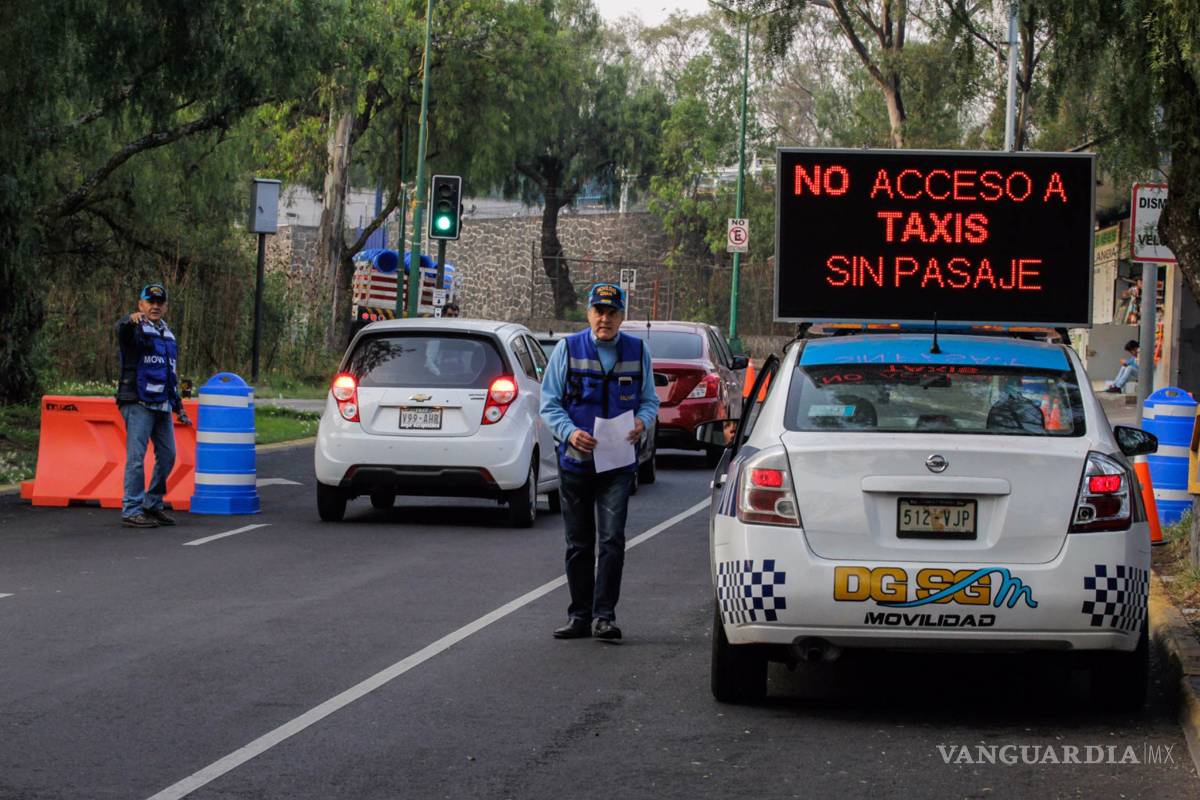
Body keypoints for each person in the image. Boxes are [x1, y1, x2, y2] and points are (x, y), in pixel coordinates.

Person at [540, 283, 659, 642]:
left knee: (611, 540)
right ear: (588, 313)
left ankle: (604, 616)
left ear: (622, 316)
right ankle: (579, 615)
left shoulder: (638, 351)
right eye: (598, 311)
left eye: (611, 312)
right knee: (579, 543)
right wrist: (570, 432)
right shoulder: (568, 349)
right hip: (576, 462)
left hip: (618, 465)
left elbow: (649, 401)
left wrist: (642, 422)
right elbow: (549, 403)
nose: (604, 319)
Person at [115, 283, 190, 528]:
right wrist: (129, 320)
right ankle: (131, 510)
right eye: (150, 302)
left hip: (163, 404)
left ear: (165, 307)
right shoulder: (135, 328)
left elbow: (170, 373)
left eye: (160, 303)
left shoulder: (168, 334)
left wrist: (178, 405)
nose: (155, 306)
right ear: (141, 304)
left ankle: (152, 503)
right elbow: (122, 332)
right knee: (136, 458)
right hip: (137, 401)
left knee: (168, 456)